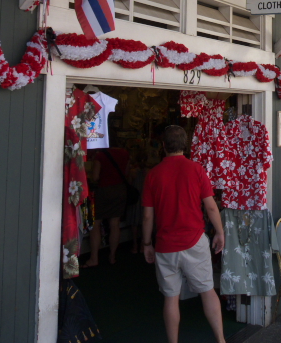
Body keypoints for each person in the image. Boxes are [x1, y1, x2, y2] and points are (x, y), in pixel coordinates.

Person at [142, 126, 226, 343]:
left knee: (171, 298)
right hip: (194, 240)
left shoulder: (153, 175)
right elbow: (211, 207)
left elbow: (148, 216)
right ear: (185, 145)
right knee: (207, 291)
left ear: (163, 146)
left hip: (165, 245)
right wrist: (220, 232)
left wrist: (146, 243)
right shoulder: (196, 169)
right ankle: (220, 340)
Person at [84, 144, 130, 267]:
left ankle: (94, 258)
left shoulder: (100, 155)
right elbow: (126, 173)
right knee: (115, 224)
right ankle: (112, 256)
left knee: (96, 224)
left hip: (104, 191)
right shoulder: (125, 153)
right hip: (120, 190)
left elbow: (95, 177)